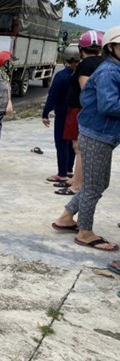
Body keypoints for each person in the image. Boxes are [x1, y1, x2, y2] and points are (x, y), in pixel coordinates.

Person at [51, 25, 120, 251]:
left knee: (97, 183)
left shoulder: (114, 69)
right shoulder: (109, 71)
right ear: (112, 47)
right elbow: (109, 105)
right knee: (94, 186)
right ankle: (85, 232)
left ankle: (66, 217)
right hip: (97, 135)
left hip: (100, 134)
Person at [56, 30, 105, 196]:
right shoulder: (103, 62)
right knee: (80, 148)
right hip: (87, 110)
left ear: (81, 48)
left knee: (78, 147)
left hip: (79, 109)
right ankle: (75, 179)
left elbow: (87, 90)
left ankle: (76, 185)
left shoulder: (86, 64)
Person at [42, 44, 78, 183]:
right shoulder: (81, 75)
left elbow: (53, 96)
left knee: (61, 142)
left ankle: (62, 173)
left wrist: (45, 113)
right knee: (72, 142)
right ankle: (69, 170)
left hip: (63, 113)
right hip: (76, 113)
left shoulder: (61, 76)